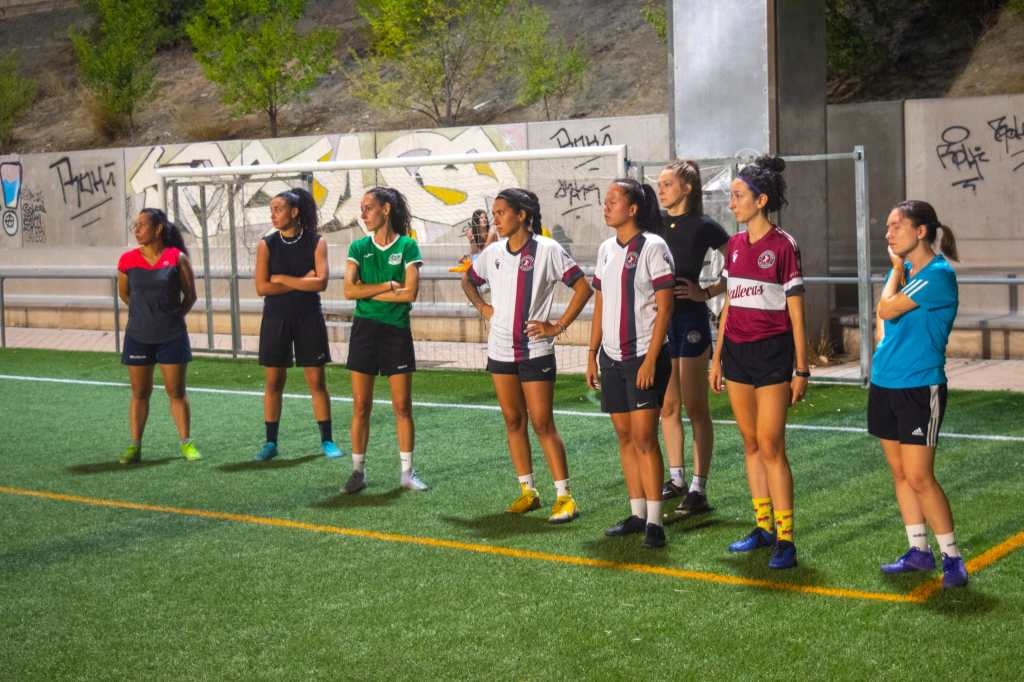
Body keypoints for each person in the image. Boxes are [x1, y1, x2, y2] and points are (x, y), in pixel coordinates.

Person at [462, 188, 593, 523]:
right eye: (494, 213)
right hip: (500, 350)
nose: (495, 219)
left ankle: (565, 496)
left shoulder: (548, 249)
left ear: (522, 215)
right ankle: (528, 492)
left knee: (542, 422)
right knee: (513, 421)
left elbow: (583, 287)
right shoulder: (493, 253)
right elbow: (468, 280)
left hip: (535, 350)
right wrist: (483, 308)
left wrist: (557, 326)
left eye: (501, 212)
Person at [708, 155, 807, 570]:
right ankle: (763, 527)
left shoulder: (783, 245)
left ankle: (786, 539)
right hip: (736, 354)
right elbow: (730, 304)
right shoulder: (733, 246)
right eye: (731, 196)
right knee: (750, 443)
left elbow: (796, 310)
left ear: (760, 200)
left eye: (738, 196)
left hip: (772, 354)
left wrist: (801, 368)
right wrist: (717, 357)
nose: (732, 203)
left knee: (771, 445)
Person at [869, 200, 967, 588]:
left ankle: (953, 559)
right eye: (887, 227)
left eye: (896, 226)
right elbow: (881, 319)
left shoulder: (937, 275)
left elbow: (887, 309)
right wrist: (883, 347)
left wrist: (895, 271)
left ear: (921, 231)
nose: (888, 234)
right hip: (885, 382)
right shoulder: (904, 270)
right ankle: (918, 551)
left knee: (920, 476)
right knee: (899, 474)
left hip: (919, 386)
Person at [586, 178, 675, 549]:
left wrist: (651, 360)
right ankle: (637, 513)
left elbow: (666, 307)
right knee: (624, 437)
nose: (606, 206)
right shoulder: (606, 249)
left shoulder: (653, 246)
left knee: (644, 438)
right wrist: (592, 353)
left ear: (633, 209)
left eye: (613, 201)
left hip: (643, 356)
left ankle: (655, 521)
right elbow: (601, 303)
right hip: (611, 357)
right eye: (605, 201)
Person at [655, 160, 730, 520]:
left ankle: (699, 488)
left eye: (667, 184)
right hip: (660, 320)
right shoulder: (654, 225)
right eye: (659, 184)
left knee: (695, 406)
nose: (661, 190)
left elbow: (738, 261)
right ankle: (676, 479)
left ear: (687, 188)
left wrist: (709, 291)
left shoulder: (704, 226)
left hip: (690, 320)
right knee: (667, 406)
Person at [342, 187, 427, 493]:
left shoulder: (407, 246)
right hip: (364, 330)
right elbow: (348, 291)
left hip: (396, 331)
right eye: (362, 208)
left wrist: (368, 290)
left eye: (368, 208)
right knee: (360, 405)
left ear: (386, 209)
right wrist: (389, 285)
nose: (363, 214)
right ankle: (357, 472)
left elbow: (410, 293)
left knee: (402, 406)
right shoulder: (358, 247)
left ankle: (406, 473)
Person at [253, 188, 342, 461]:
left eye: (278, 209)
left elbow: (321, 282)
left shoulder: (317, 242)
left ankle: (327, 440)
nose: (273, 214)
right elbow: (262, 287)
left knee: (316, 381)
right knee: (274, 381)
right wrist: (303, 281)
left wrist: (282, 278)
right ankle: (270, 442)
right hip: (275, 318)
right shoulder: (266, 244)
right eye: (271, 210)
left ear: (294, 212)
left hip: (308, 317)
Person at [116, 208, 202, 464]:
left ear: (158, 229)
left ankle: (186, 443)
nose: (136, 229)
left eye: (142, 225)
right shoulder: (127, 260)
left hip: (171, 336)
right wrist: (144, 314)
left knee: (176, 392)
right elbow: (125, 294)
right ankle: (135, 446)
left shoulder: (177, 258)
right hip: (138, 336)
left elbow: (190, 295)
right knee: (140, 392)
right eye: (136, 225)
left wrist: (172, 317)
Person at [450, 208, 498, 272]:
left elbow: (489, 252)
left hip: (492, 261)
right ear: (476, 220)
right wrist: (471, 239)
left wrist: (491, 235)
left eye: (485, 218)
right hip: (481, 263)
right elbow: (475, 253)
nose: (484, 219)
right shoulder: (474, 234)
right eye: (481, 218)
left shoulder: (492, 232)